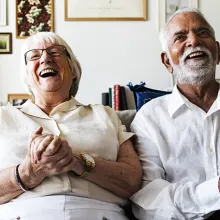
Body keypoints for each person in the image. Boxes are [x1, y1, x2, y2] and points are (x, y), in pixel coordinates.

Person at [0, 32, 142, 220]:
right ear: (26, 75)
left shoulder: (106, 114)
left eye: (55, 52)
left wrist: (77, 161)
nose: (45, 58)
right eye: (34, 56)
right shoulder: (4, 116)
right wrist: (30, 171)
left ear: (73, 70)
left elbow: (132, 181)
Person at [130, 7, 220, 220]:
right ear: (167, 61)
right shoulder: (149, 118)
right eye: (180, 37)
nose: (194, 42)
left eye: (203, 33)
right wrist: (214, 190)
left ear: (218, 52)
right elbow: (148, 201)